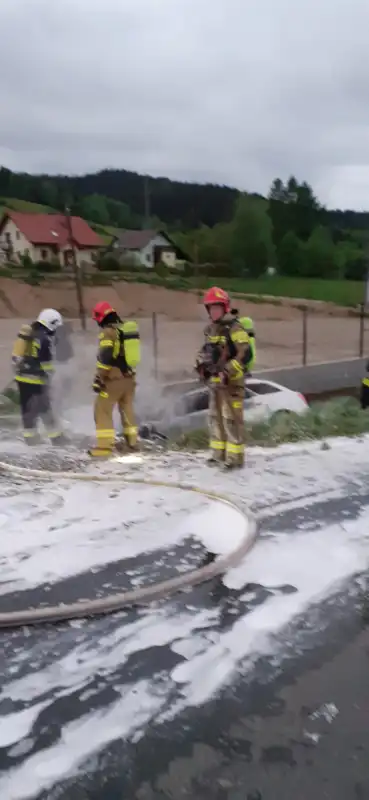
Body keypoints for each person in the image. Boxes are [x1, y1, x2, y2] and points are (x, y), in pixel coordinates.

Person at [195, 286, 251, 469]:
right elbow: (206, 351)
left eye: (217, 307)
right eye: (211, 308)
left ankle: (235, 458)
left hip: (232, 384)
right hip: (216, 383)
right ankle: (218, 454)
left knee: (231, 420)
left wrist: (228, 371)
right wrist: (201, 366)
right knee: (215, 418)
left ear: (225, 307)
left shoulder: (235, 327)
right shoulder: (211, 329)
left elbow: (245, 353)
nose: (214, 311)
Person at [89, 301, 140, 458]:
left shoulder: (108, 332)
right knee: (127, 410)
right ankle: (132, 443)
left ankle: (104, 447)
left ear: (101, 317)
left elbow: (105, 357)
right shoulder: (123, 330)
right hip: (129, 379)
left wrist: (99, 378)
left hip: (114, 380)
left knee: (102, 408)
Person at [11, 308, 67, 446]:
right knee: (45, 408)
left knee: (27, 409)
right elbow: (45, 363)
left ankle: (30, 438)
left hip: (22, 379)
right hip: (36, 380)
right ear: (51, 323)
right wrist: (51, 377)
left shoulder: (30, 333)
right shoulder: (44, 338)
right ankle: (57, 438)